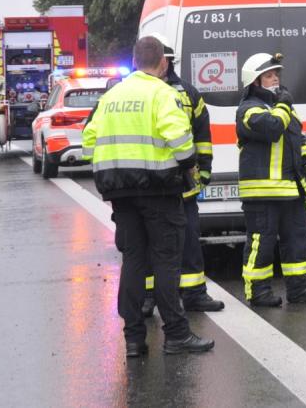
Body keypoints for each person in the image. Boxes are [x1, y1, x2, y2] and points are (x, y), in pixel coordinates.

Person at [81, 36, 214, 357]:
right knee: (167, 262)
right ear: (163, 62)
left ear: (135, 60)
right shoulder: (162, 93)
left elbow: (88, 142)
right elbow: (182, 143)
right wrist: (189, 167)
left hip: (120, 193)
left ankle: (133, 340)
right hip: (159, 190)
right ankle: (177, 335)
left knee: (134, 262)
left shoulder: (112, 96)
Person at [137, 34, 224, 315]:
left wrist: (206, 170)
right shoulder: (139, 93)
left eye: (169, 62)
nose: (165, 67)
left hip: (183, 184)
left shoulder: (188, 93)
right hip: (151, 183)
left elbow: (202, 136)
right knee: (150, 243)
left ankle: (195, 293)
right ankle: (148, 296)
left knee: (189, 241)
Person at [236, 52, 306, 307]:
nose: (275, 79)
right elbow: (273, 128)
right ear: (254, 82)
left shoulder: (286, 109)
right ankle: (258, 291)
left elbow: (298, 140)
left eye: (276, 74)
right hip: (262, 193)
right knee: (261, 243)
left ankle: (298, 289)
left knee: (298, 240)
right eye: (268, 75)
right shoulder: (247, 110)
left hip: (291, 190)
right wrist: (284, 106)